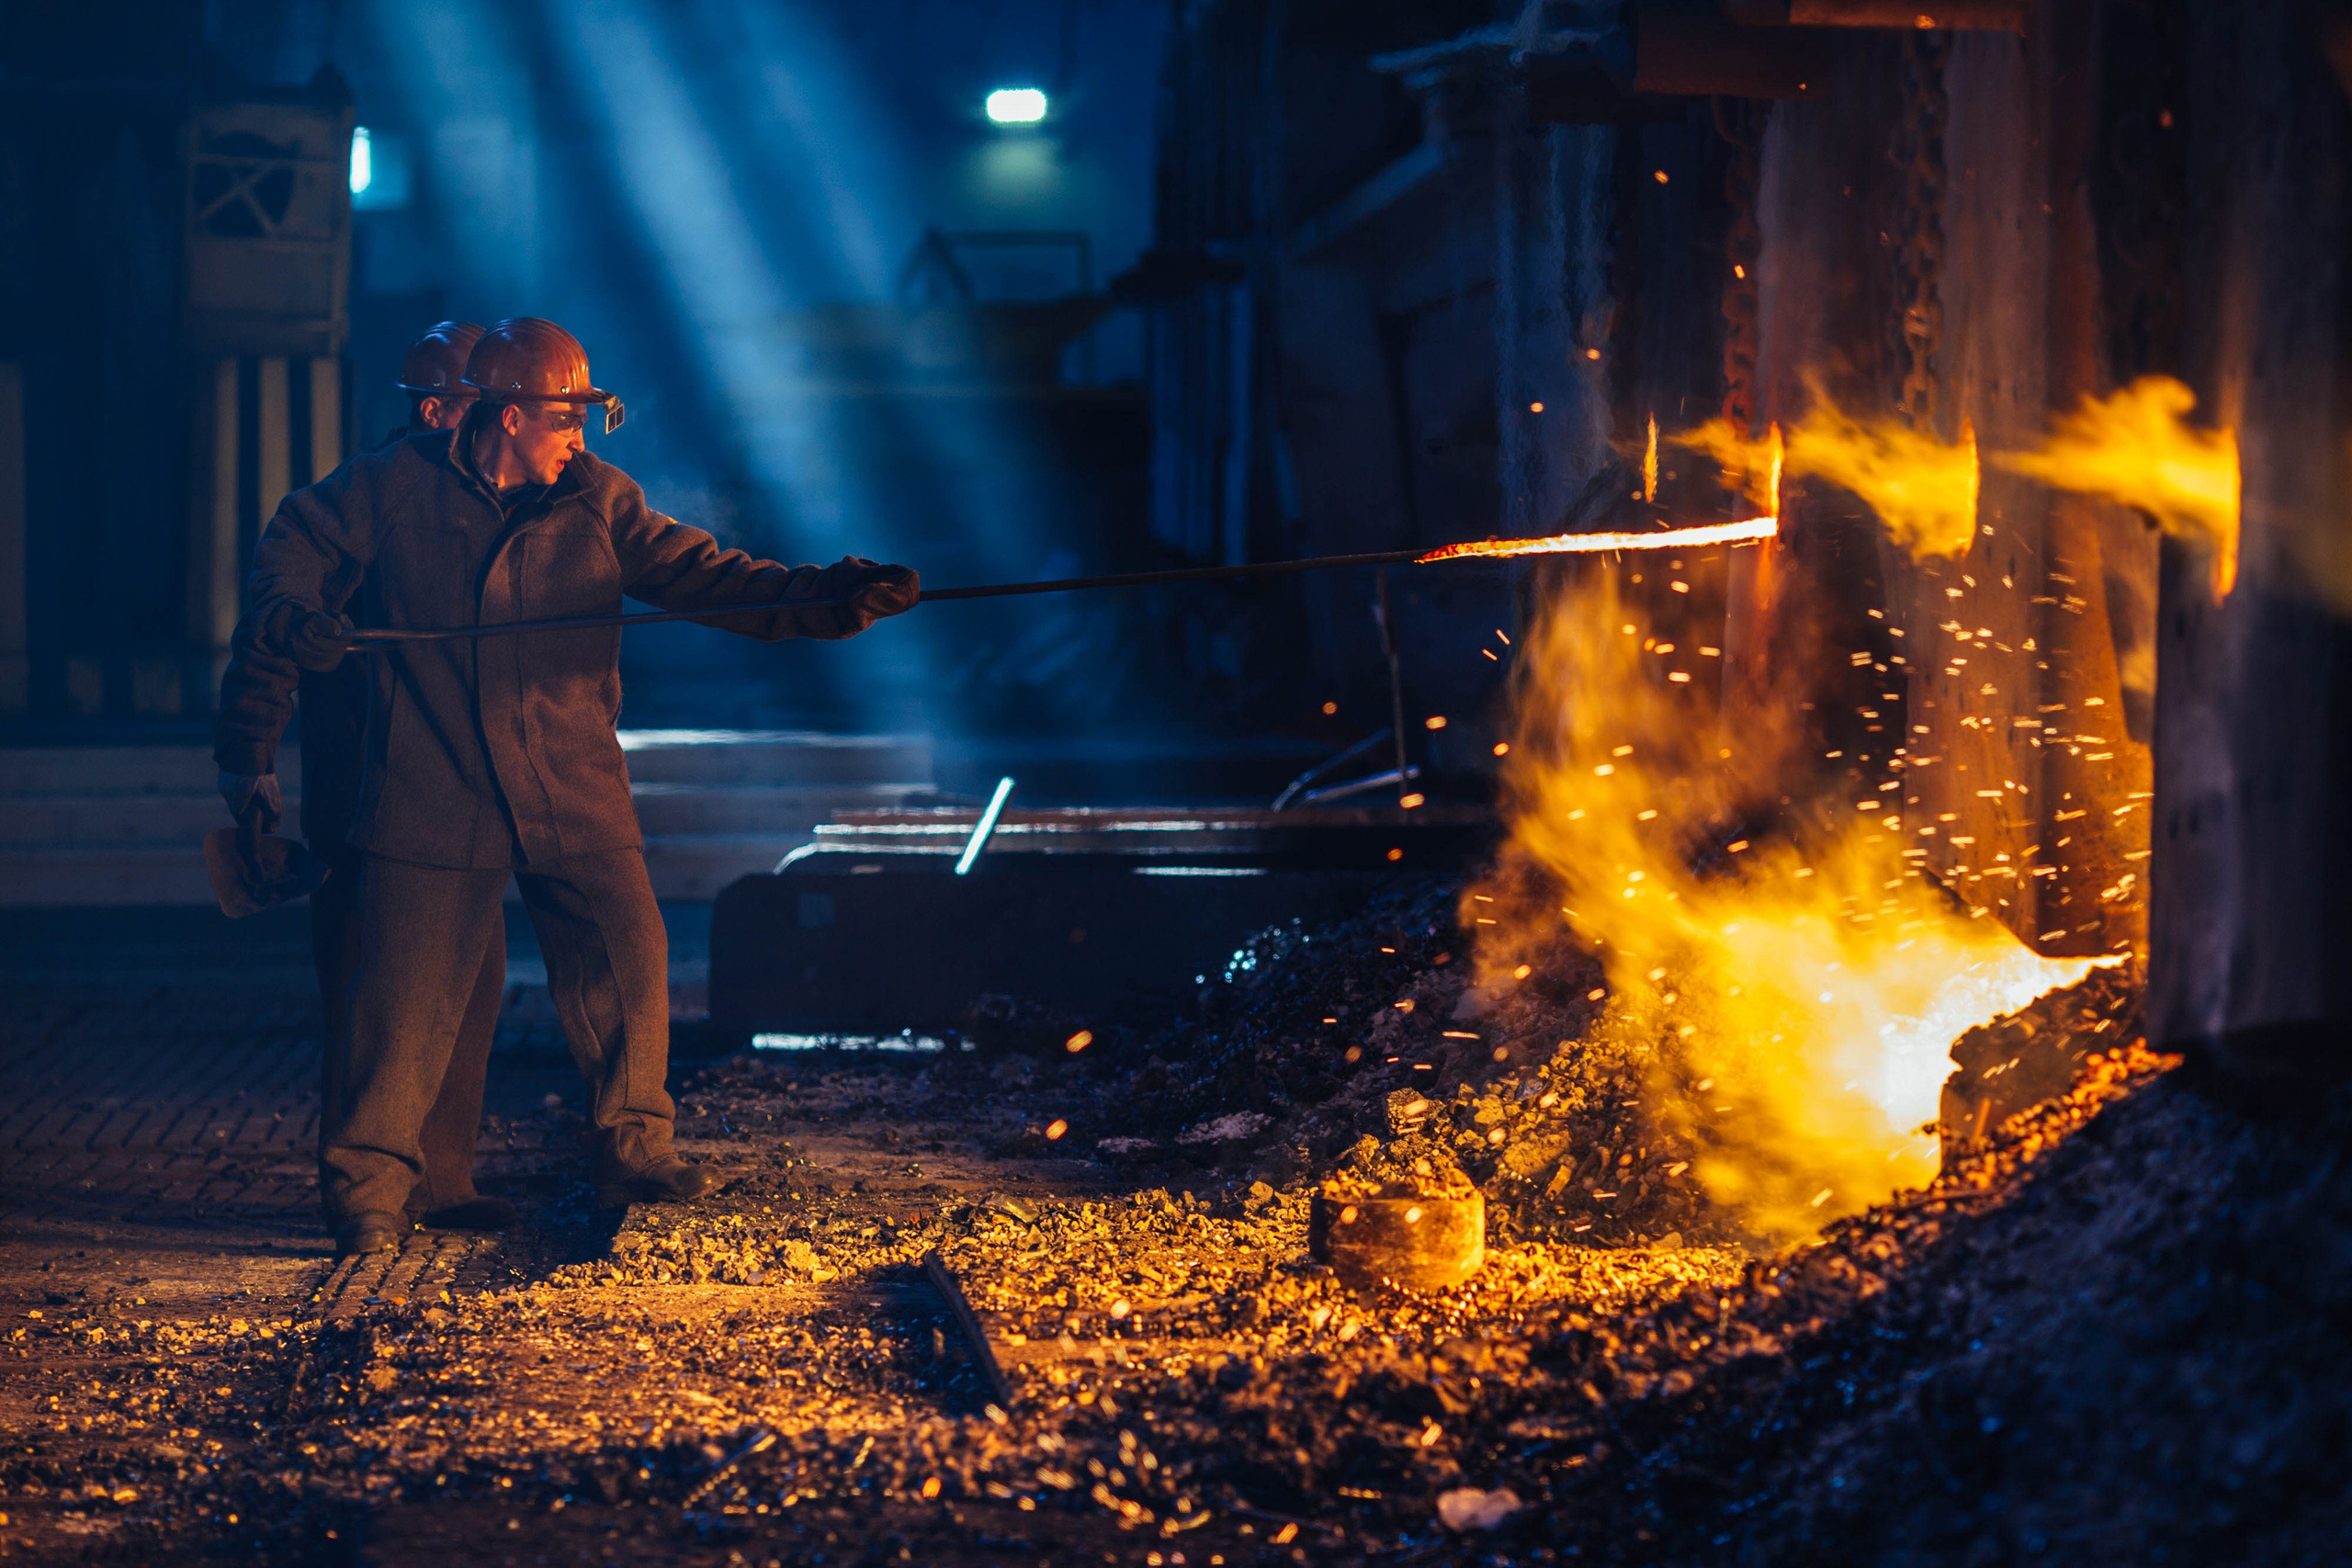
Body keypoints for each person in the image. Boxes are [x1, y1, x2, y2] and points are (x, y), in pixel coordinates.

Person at [214, 317, 919, 1257]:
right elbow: (290, 552)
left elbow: (709, 579)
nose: (578, 437)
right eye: (564, 418)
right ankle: (369, 1196)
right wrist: (296, 616)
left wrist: (829, 597)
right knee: (401, 1005)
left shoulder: (598, 500)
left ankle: (633, 1151)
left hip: (566, 780)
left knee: (628, 957)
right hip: (432, 785)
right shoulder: (389, 489)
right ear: (505, 417)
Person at [219, 321, 518, 1237]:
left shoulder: (487, 502)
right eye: (486, 399)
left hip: (465, 801)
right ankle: (364, 1194)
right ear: (435, 410)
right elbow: (271, 636)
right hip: (367, 800)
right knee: (373, 992)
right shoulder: (371, 503)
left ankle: (442, 1181)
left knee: (468, 989)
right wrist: (250, 763)